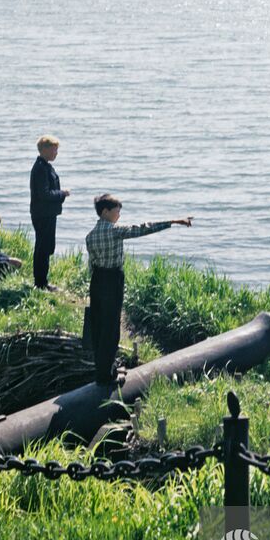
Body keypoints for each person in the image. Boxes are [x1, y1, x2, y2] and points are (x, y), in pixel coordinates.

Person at [85, 193, 192, 388]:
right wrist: (173, 221)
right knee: (111, 327)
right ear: (105, 212)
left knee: (99, 327)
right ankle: (106, 376)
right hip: (112, 280)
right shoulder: (115, 231)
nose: (119, 215)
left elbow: (91, 265)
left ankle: (103, 369)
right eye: (117, 211)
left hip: (97, 281)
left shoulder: (90, 236)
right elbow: (143, 229)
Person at [29, 135, 70, 290]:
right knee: (43, 248)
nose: (56, 153)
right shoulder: (40, 168)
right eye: (54, 150)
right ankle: (41, 283)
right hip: (43, 213)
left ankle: (41, 281)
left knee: (45, 247)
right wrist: (62, 193)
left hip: (45, 213)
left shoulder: (44, 165)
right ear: (44, 150)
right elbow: (44, 194)